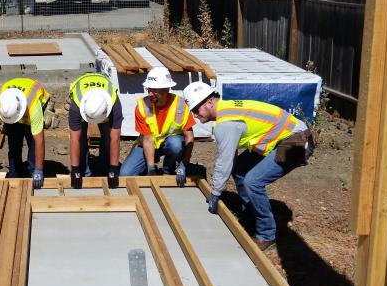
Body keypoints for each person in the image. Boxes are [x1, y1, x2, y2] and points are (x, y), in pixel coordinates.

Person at [183, 81, 313, 251]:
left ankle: (266, 235)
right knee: (241, 169)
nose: (195, 115)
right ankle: (250, 219)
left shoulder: (226, 123)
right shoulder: (226, 110)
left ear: (209, 102)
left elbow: (225, 160)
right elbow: (232, 162)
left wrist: (215, 193)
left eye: (196, 109)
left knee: (253, 181)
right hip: (281, 138)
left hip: (297, 142)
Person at [121, 67, 194, 185]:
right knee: (125, 174)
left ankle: (168, 170)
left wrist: (183, 164)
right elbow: (148, 139)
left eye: (154, 90)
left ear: (166, 89)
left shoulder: (180, 105)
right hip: (148, 144)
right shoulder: (142, 106)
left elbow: (189, 137)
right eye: (149, 89)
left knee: (176, 144)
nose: (150, 93)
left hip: (170, 144)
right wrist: (151, 169)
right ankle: (147, 168)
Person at [0, 78, 50, 190]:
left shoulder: (33, 105)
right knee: (14, 141)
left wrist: (39, 170)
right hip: (14, 105)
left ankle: (32, 171)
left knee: (32, 140)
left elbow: (39, 140)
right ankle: (14, 173)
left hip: (31, 100)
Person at [67, 72, 123, 189]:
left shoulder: (114, 103)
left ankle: (105, 169)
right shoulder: (76, 105)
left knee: (108, 138)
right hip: (83, 97)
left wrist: (114, 169)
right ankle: (84, 171)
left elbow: (115, 139)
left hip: (104, 101)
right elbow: (74, 140)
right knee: (81, 139)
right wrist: (75, 170)